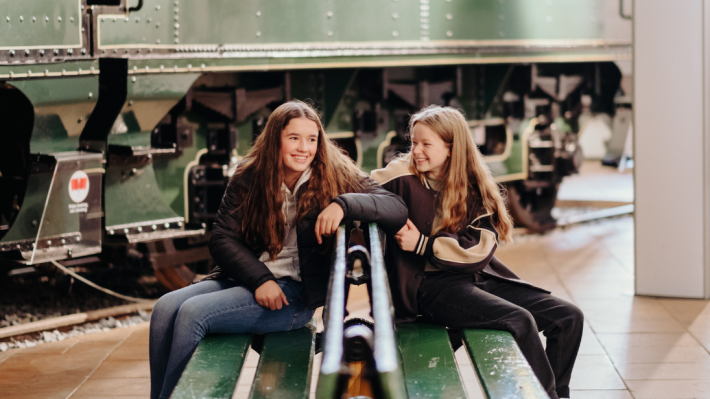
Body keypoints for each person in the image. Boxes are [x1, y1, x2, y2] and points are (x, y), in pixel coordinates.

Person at [149, 100, 407, 399]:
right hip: (249, 279)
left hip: (293, 296)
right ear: (275, 140)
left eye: (312, 139)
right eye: (293, 138)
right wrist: (260, 279)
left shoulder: (334, 173)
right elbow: (222, 238)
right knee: (165, 307)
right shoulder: (250, 177)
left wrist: (343, 204)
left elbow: (395, 207)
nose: (304, 148)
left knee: (193, 314)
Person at [371, 105, 583, 399]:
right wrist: (340, 205)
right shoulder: (400, 173)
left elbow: (478, 251)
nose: (416, 151)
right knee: (519, 320)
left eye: (425, 144)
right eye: (414, 142)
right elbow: (359, 188)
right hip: (429, 287)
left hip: (475, 275)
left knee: (569, 317)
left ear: (451, 148)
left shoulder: (475, 187)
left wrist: (423, 243)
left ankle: (558, 395)